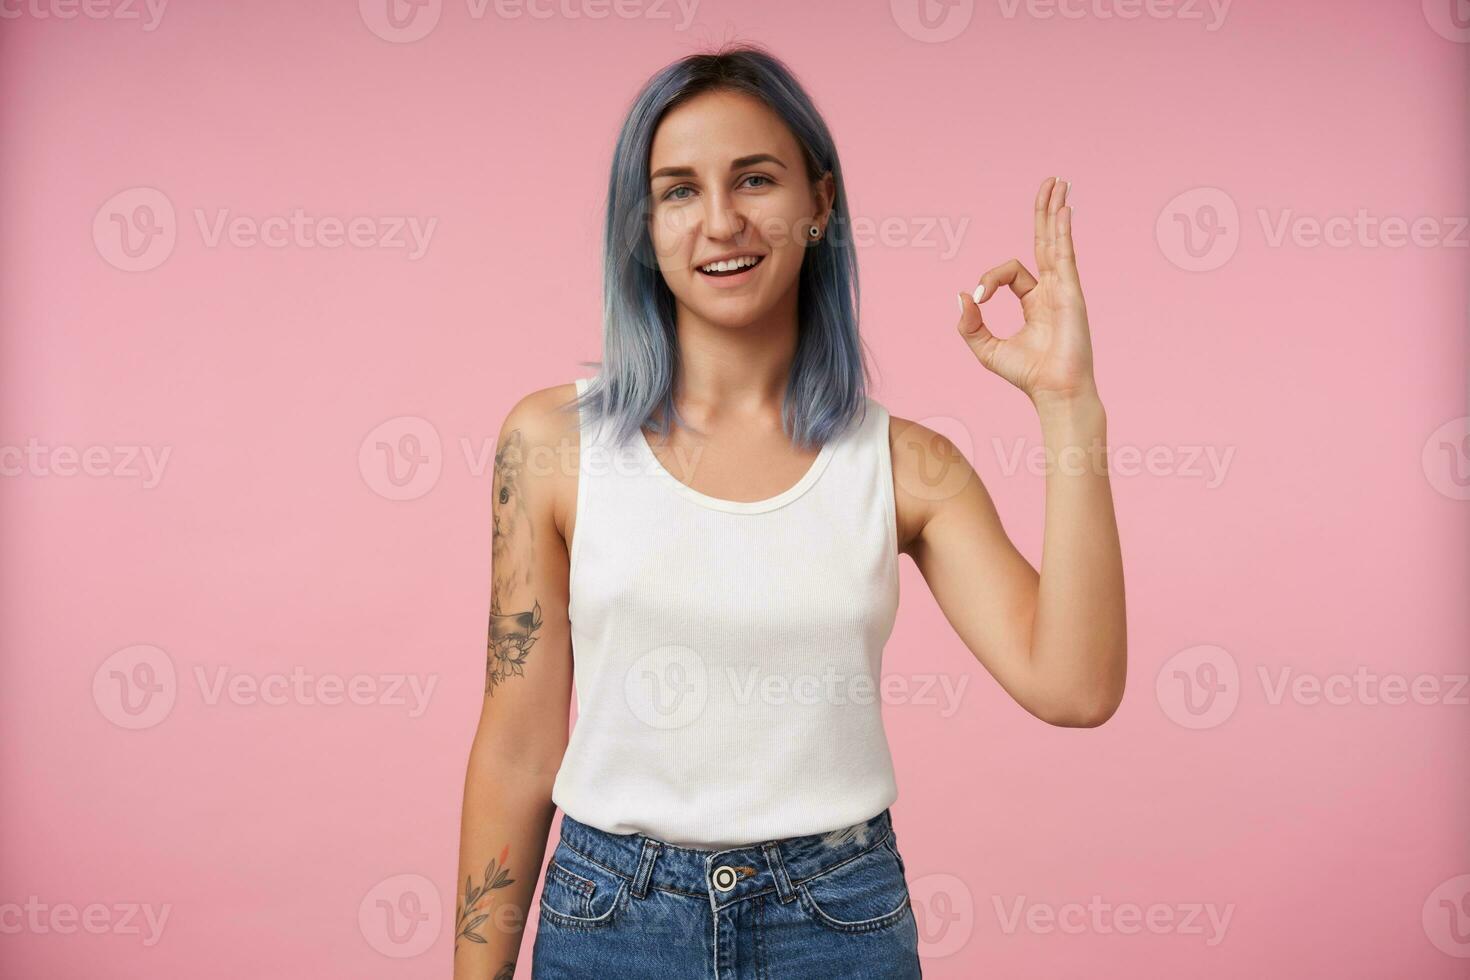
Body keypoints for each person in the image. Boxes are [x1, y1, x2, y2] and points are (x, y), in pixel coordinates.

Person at [454, 42, 1126, 980]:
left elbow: (1077, 686)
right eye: (679, 190)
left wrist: (1068, 405)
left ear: (821, 203)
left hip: (837, 923)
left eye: (755, 179)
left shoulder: (908, 468)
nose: (721, 221)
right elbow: (518, 752)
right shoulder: (552, 445)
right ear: (642, 226)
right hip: (611, 922)